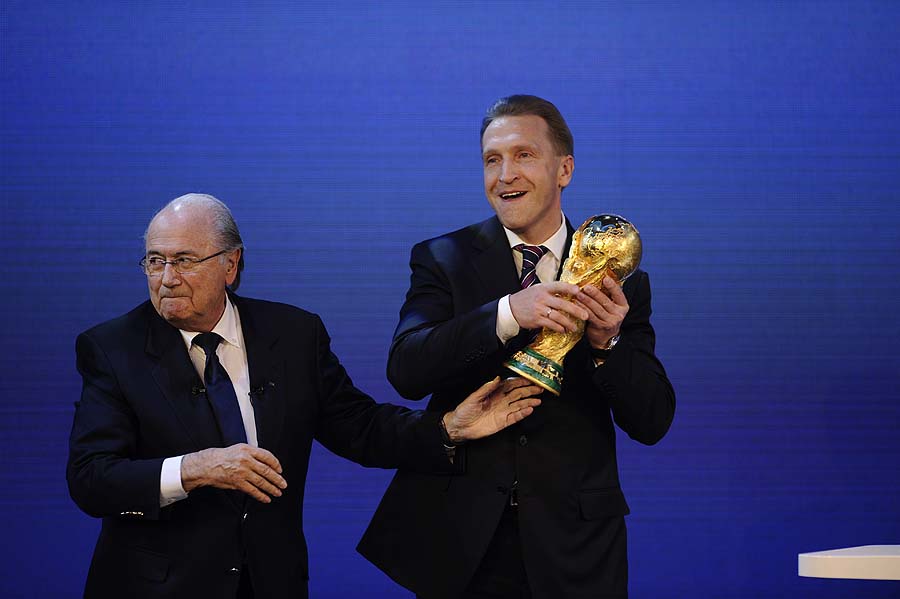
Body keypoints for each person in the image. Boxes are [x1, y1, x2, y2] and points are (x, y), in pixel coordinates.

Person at [66, 193, 543, 599]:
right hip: (158, 586)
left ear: (230, 264)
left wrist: (446, 427)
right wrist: (194, 469)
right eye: (154, 260)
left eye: (184, 261)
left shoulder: (293, 334)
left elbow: (359, 427)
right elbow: (91, 478)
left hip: (271, 581)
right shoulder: (111, 348)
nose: (166, 277)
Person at [358, 95, 676, 598]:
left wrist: (606, 343)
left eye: (524, 155)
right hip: (461, 543)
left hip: (575, 550)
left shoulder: (620, 280)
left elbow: (653, 420)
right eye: (492, 159)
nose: (505, 174)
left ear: (564, 169)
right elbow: (407, 368)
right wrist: (508, 313)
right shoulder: (443, 258)